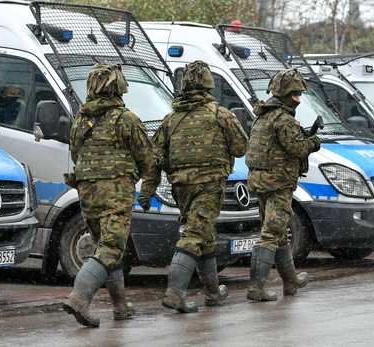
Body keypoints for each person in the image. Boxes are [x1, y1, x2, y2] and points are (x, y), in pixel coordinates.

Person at [137, 60, 249, 313]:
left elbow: (155, 160)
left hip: (181, 189)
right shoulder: (220, 115)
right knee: (194, 236)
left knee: (205, 238)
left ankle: (213, 292)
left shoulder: (171, 120)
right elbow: (241, 148)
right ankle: (175, 294)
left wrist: (147, 191)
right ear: (209, 86)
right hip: (209, 187)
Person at [63, 63, 153, 328]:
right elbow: (147, 159)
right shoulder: (126, 119)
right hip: (115, 194)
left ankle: (120, 305)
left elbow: (76, 155)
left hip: (88, 194)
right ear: (118, 86)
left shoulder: (82, 119)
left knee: (107, 246)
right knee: (112, 247)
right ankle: (79, 298)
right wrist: (146, 188)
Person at [245, 68, 321, 302]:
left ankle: (290, 281)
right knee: (271, 233)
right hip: (277, 184)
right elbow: (297, 149)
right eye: (295, 93)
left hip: (261, 182)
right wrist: (314, 141)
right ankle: (256, 288)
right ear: (286, 93)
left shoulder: (263, 115)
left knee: (279, 234)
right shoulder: (283, 119)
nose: (298, 98)